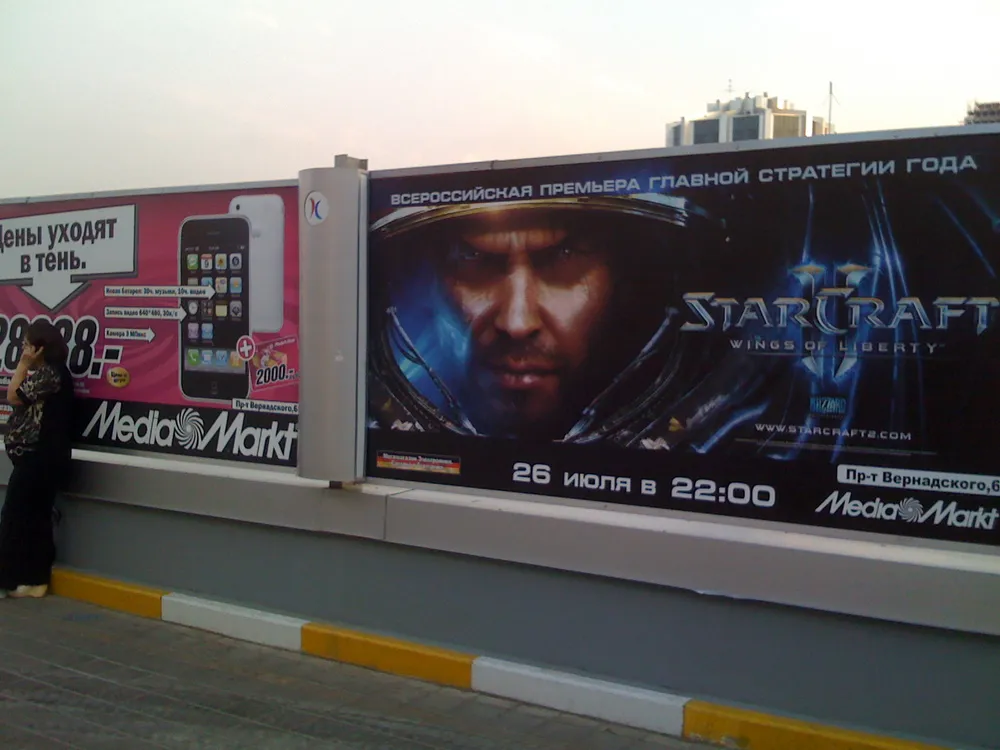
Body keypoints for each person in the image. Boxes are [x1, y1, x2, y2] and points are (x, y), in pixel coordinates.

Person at [0, 320, 74, 599]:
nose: (23, 350)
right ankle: (34, 579)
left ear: (40, 348)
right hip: (40, 459)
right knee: (35, 518)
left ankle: (7, 579)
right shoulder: (50, 374)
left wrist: (22, 365)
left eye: (26, 345)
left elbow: (13, 395)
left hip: (38, 458)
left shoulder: (51, 374)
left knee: (14, 516)